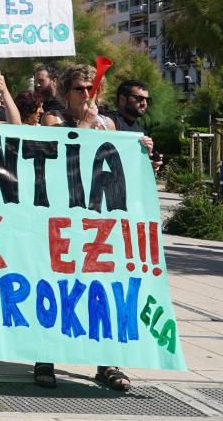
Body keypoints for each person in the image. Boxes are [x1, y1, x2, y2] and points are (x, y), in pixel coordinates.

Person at [37, 64, 143, 392]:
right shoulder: (52, 121)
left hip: (98, 217)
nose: (86, 94)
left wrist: (142, 154)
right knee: (55, 285)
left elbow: (119, 165)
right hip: (59, 216)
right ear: (65, 92)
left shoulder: (108, 123)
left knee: (103, 287)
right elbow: (53, 159)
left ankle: (106, 362)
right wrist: (82, 127)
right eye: (80, 89)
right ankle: (45, 356)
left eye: (90, 88)